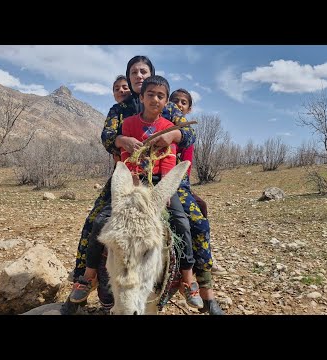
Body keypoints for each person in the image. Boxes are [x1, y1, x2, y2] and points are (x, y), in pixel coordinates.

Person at [65, 55, 223, 315]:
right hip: (128, 177)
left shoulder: (168, 108)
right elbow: (107, 137)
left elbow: (189, 134)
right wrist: (121, 141)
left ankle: (201, 287)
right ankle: (87, 277)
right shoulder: (120, 111)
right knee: (95, 221)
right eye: (134, 72)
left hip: (167, 179)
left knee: (195, 222)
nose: (138, 76)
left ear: (151, 75)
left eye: (143, 71)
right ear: (129, 77)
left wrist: (174, 133)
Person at [119, 75, 202, 307]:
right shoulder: (129, 124)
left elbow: (168, 159)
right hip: (135, 180)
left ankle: (187, 277)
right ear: (142, 97)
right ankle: (92, 276)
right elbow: (128, 156)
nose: (155, 99)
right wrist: (133, 178)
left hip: (160, 181)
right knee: (107, 221)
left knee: (182, 222)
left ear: (166, 101)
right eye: (150, 94)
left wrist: (165, 190)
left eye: (160, 96)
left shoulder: (168, 127)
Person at [169, 89, 225, 314]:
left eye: (184, 102)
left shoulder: (187, 134)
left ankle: (205, 290)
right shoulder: (160, 123)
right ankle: (85, 277)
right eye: (175, 101)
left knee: (200, 223)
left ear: (189, 109)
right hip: (149, 181)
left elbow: (187, 168)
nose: (179, 105)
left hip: (178, 184)